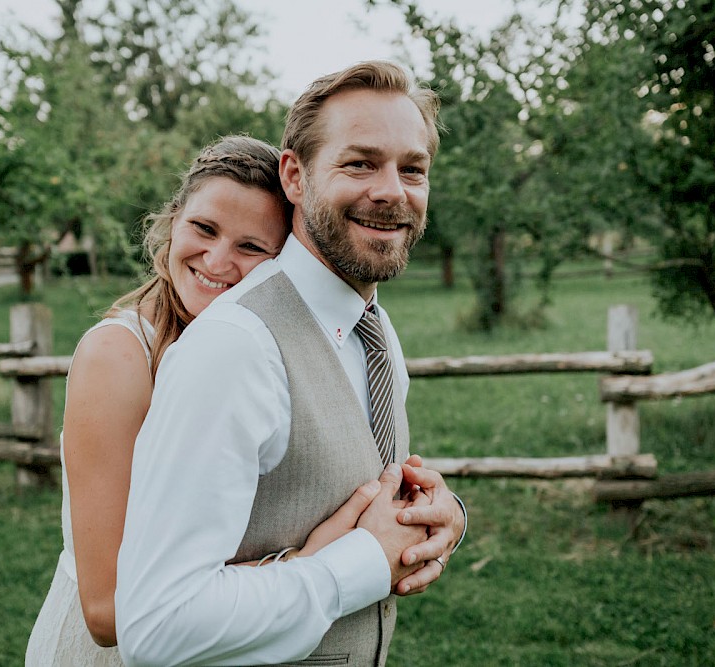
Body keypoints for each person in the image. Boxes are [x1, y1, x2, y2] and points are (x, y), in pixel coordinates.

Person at [116, 61, 467, 666]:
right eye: (360, 163)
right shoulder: (236, 347)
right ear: (295, 177)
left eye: (412, 169)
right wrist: (360, 564)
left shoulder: (375, 331)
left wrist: (439, 520)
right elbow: (157, 627)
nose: (391, 191)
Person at [26, 135, 403, 666]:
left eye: (252, 247)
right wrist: (314, 561)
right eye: (204, 229)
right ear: (173, 221)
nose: (218, 259)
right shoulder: (119, 357)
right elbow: (108, 611)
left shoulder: (263, 352)